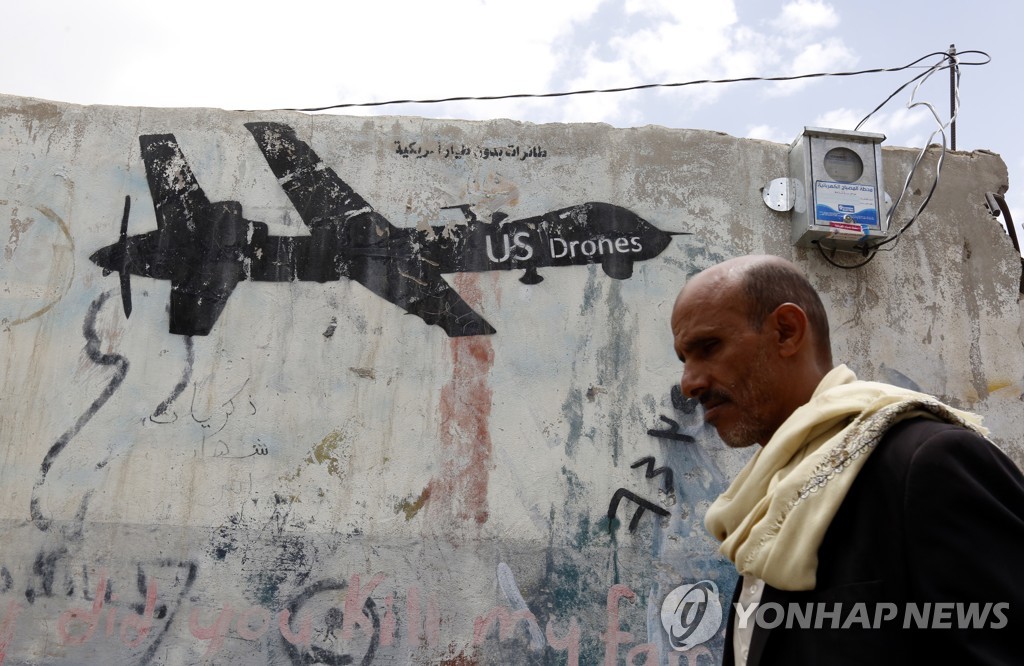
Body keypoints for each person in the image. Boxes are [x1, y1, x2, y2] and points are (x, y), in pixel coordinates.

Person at [670, 254, 1024, 665]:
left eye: (708, 347)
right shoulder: (768, 499)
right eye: (684, 359)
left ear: (786, 331)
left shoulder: (925, 463)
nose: (690, 384)